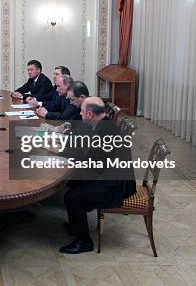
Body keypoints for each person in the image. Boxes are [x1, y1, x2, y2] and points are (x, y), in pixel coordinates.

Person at [59, 97, 137, 254]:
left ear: (90, 114)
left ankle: (84, 242)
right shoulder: (103, 124)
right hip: (108, 177)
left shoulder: (107, 132)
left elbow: (92, 164)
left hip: (114, 186)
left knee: (72, 197)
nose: (80, 116)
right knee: (73, 182)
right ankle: (76, 225)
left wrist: (64, 156)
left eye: (81, 113)